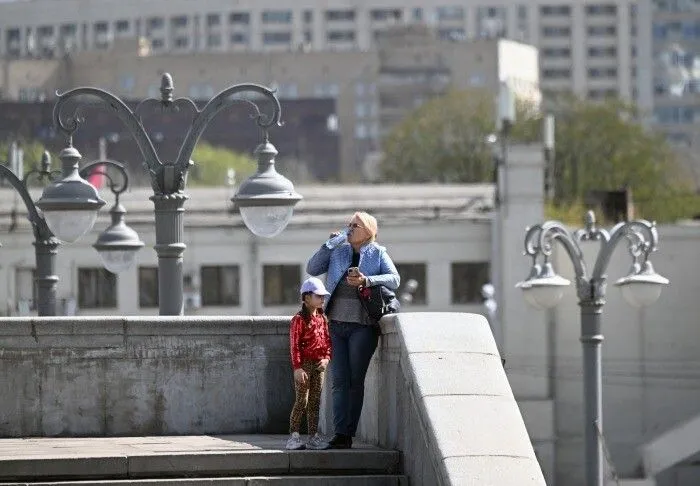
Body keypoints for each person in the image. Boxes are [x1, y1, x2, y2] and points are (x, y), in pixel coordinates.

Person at [306, 211, 400, 449]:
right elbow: (312, 268)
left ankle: (347, 433)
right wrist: (329, 244)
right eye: (349, 225)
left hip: (363, 326)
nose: (349, 229)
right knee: (338, 380)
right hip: (336, 324)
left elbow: (394, 280)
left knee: (354, 381)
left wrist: (366, 280)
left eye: (354, 226)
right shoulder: (338, 251)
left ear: (367, 231)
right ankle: (339, 433)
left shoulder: (378, 253)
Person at [285, 276, 333, 451]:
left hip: (318, 365)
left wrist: (326, 358)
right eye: (318, 296)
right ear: (306, 298)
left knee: (315, 401)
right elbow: (294, 345)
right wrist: (297, 367)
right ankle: (294, 436)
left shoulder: (322, 318)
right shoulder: (299, 320)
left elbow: (327, 341)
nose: (322, 299)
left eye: (323, 296)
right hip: (304, 365)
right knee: (301, 401)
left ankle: (313, 436)